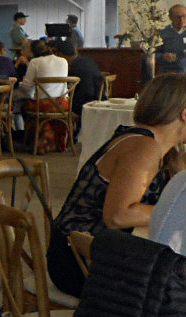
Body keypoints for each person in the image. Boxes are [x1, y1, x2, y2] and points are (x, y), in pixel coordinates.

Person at [48, 73, 186, 297]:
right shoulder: (142, 147)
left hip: (98, 252)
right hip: (81, 262)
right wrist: (174, 212)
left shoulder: (167, 150)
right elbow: (118, 216)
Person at [19, 40, 71, 152]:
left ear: (33, 52)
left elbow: (27, 87)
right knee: (46, 110)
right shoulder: (63, 61)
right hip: (63, 104)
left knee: (24, 107)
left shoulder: (35, 62)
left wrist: (22, 83)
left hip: (43, 106)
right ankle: (57, 142)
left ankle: (36, 143)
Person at [57, 41, 103, 115]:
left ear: (61, 55)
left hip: (84, 105)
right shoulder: (89, 61)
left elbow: (67, 89)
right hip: (99, 100)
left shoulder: (74, 69)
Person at [156, 4, 186, 74]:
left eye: (184, 16)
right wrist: (163, 56)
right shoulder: (162, 33)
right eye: (178, 17)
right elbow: (152, 54)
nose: (181, 20)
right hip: (168, 74)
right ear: (170, 17)